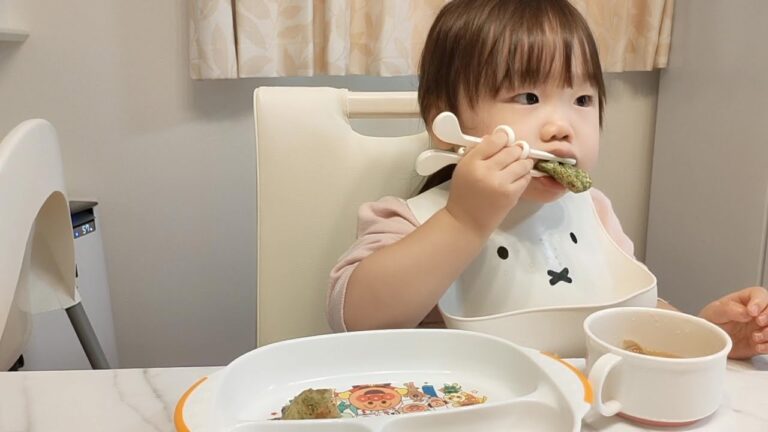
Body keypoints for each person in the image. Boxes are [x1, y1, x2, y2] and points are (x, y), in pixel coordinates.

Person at [328, 0, 768, 359]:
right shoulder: (411, 219)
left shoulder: (593, 210)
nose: (562, 126)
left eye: (582, 98)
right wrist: (464, 220)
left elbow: (626, 310)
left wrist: (706, 333)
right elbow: (358, 319)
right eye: (528, 97)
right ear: (445, 119)